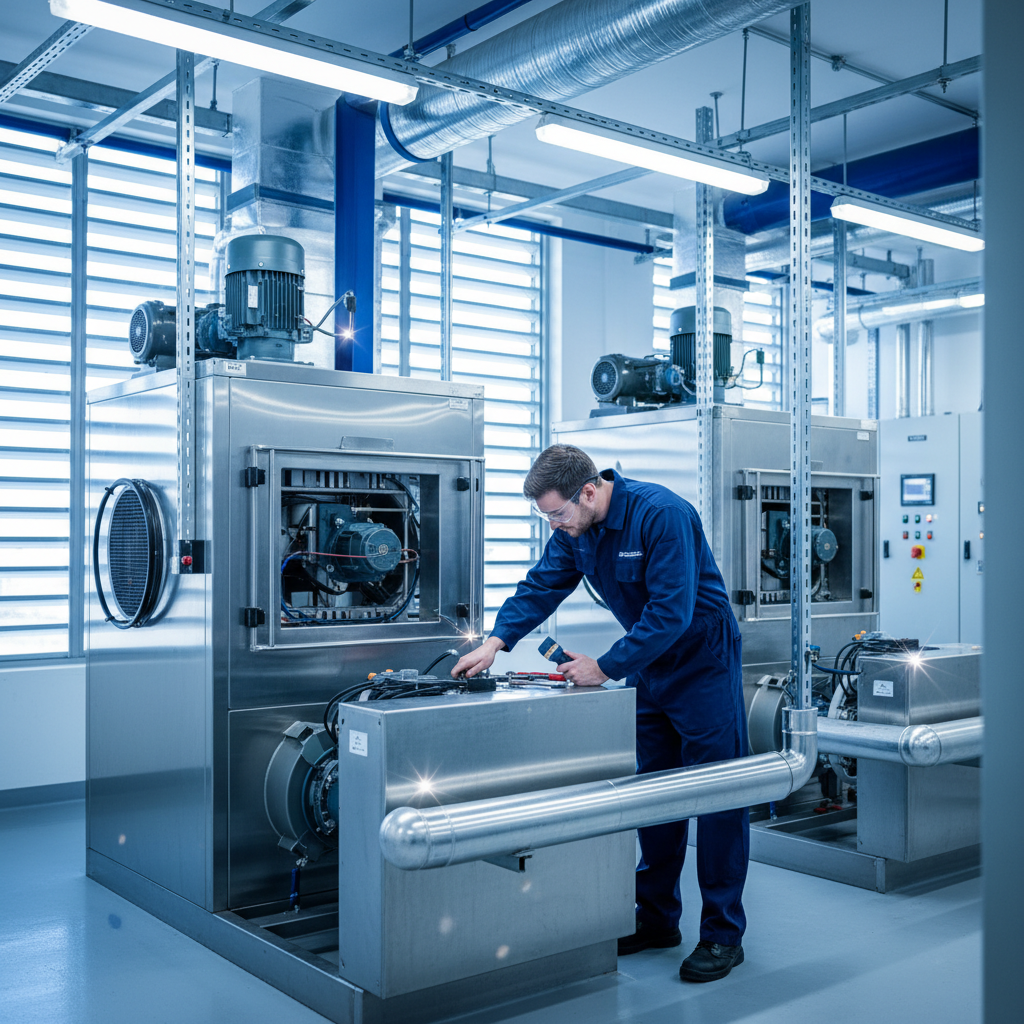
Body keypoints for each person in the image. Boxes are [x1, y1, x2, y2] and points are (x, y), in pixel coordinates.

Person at [452, 444, 748, 984]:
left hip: (701, 659)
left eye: (557, 513)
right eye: (547, 516)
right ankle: (657, 919)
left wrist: (606, 668)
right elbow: (542, 584)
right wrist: (497, 641)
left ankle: (723, 935)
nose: (555, 525)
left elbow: (671, 612)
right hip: (649, 662)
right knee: (653, 791)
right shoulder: (577, 529)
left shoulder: (663, 515)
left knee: (717, 792)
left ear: (589, 491)